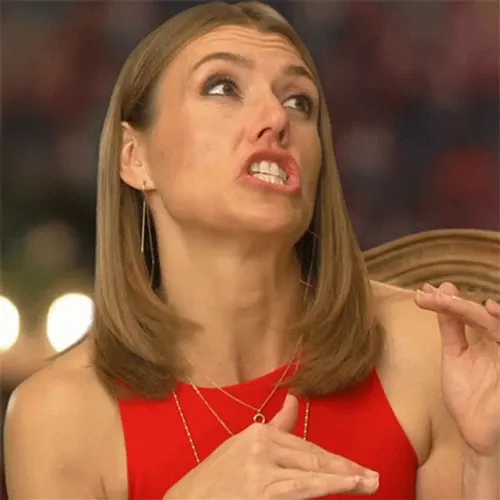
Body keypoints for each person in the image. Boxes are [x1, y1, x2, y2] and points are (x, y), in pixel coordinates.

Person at [4, 2, 499, 499]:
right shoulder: (57, 417)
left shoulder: (427, 351)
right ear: (135, 157)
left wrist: (488, 463)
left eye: (299, 101)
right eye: (223, 87)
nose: (276, 119)